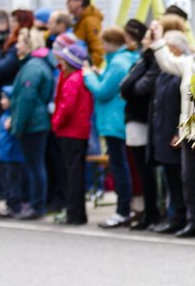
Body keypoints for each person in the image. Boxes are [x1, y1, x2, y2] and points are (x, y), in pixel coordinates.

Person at [149, 24, 195, 238]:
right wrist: (157, 40)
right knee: (188, 179)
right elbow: (167, 62)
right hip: (189, 130)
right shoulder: (191, 63)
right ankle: (194, 221)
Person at [83, 26, 139, 229]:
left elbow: (102, 92)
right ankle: (127, 208)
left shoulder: (117, 63)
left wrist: (89, 75)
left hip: (114, 121)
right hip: (119, 119)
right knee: (123, 166)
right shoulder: (125, 59)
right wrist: (99, 74)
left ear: (110, 43)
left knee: (119, 167)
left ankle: (122, 210)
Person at [119, 18, 162, 231]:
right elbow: (126, 85)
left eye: (146, 38)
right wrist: (128, 87)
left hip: (142, 117)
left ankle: (152, 212)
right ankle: (148, 211)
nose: (143, 41)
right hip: (135, 116)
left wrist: (128, 87)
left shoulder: (151, 61)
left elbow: (135, 87)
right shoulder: (143, 60)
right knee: (140, 168)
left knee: (146, 170)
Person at [8, 29, 51, 219]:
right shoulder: (34, 65)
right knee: (35, 165)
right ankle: (35, 203)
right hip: (36, 121)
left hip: (33, 124)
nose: (16, 46)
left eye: (20, 42)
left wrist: (17, 125)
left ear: (29, 44)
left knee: (35, 166)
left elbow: (26, 99)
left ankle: (37, 205)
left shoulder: (32, 68)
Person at [53, 42, 94, 225]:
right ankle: (78, 213)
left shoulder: (72, 80)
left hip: (70, 131)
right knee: (76, 172)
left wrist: (56, 122)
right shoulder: (80, 78)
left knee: (72, 174)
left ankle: (74, 213)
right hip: (80, 130)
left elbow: (66, 107)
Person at [0, 87, 26, 218]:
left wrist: (13, 124)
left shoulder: (14, 117)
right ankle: (10, 205)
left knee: (14, 182)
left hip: (13, 156)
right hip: (4, 155)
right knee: (6, 182)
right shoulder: (3, 117)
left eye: (5, 98)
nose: (1, 101)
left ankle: (16, 206)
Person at [66, 0, 105, 68]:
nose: (67, 3)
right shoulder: (78, 20)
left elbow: (99, 51)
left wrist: (87, 69)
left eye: (69, 0)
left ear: (80, 1)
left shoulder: (90, 22)